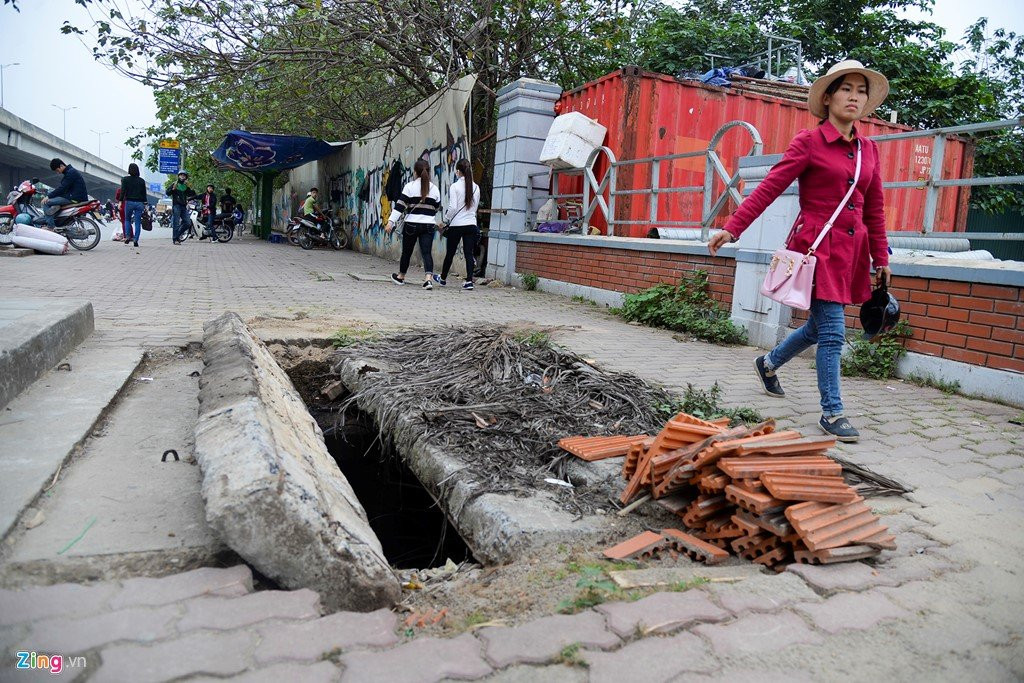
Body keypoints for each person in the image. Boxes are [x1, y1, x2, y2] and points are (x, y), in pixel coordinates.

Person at [707, 59, 893, 443]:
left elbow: (875, 208)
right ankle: (832, 412)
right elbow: (769, 188)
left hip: (852, 254)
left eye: (861, 91)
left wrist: (882, 258)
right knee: (832, 332)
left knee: (816, 327)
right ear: (827, 97)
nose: (854, 97)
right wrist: (732, 227)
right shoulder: (808, 143)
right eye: (846, 89)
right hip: (817, 250)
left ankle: (769, 362)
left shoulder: (869, 151)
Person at [385, 159, 441, 289]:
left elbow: (400, 206)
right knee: (426, 252)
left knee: (407, 252)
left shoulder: (409, 187)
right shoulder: (435, 189)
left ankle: (401, 277)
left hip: (411, 225)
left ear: (415, 172)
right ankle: (428, 280)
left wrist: (390, 222)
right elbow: (436, 207)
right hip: (428, 225)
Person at [434, 158, 481, 290]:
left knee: (450, 253)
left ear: (459, 171)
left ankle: (442, 279)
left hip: (457, 225)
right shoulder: (476, 187)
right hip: (471, 224)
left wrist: (445, 220)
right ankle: (469, 281)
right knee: (468, 253)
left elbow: (453, 207)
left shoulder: (455, 186)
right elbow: (475, 207)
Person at [41, 158, 88, 228]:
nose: (58, 172)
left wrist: (48, 196)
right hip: (74, 196)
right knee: (54, 201)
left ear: (61, 166)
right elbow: (64, 189)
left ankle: (50, 227)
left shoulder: (70, 173)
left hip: (73, 198)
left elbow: (62, 188)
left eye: (57, 170)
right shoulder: (71, 171)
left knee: (45, 203)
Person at [120, 163, 148, 247]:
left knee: (127, 220)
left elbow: (123, 191)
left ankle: (128, 236)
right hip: (139, 203)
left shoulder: (125, 179)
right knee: (137, 222)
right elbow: (144, 193)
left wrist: (120, 202)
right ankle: (136, 239)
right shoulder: (141, 181)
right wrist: (145, 204)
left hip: (129, 202)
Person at [167, 171, 196, 245]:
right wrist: (172, 189)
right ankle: (175, 239)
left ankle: (177, 236)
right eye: (181, 175)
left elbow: (192, 194)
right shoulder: (175, 184)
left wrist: (191, 187)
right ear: (179, 176)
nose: (183, 177)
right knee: (176, 223)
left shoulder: (185, 186)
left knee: (188, 222)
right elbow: (167, 193)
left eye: (184, 176)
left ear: (186, 177)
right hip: (176, 205)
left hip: (183, 206)